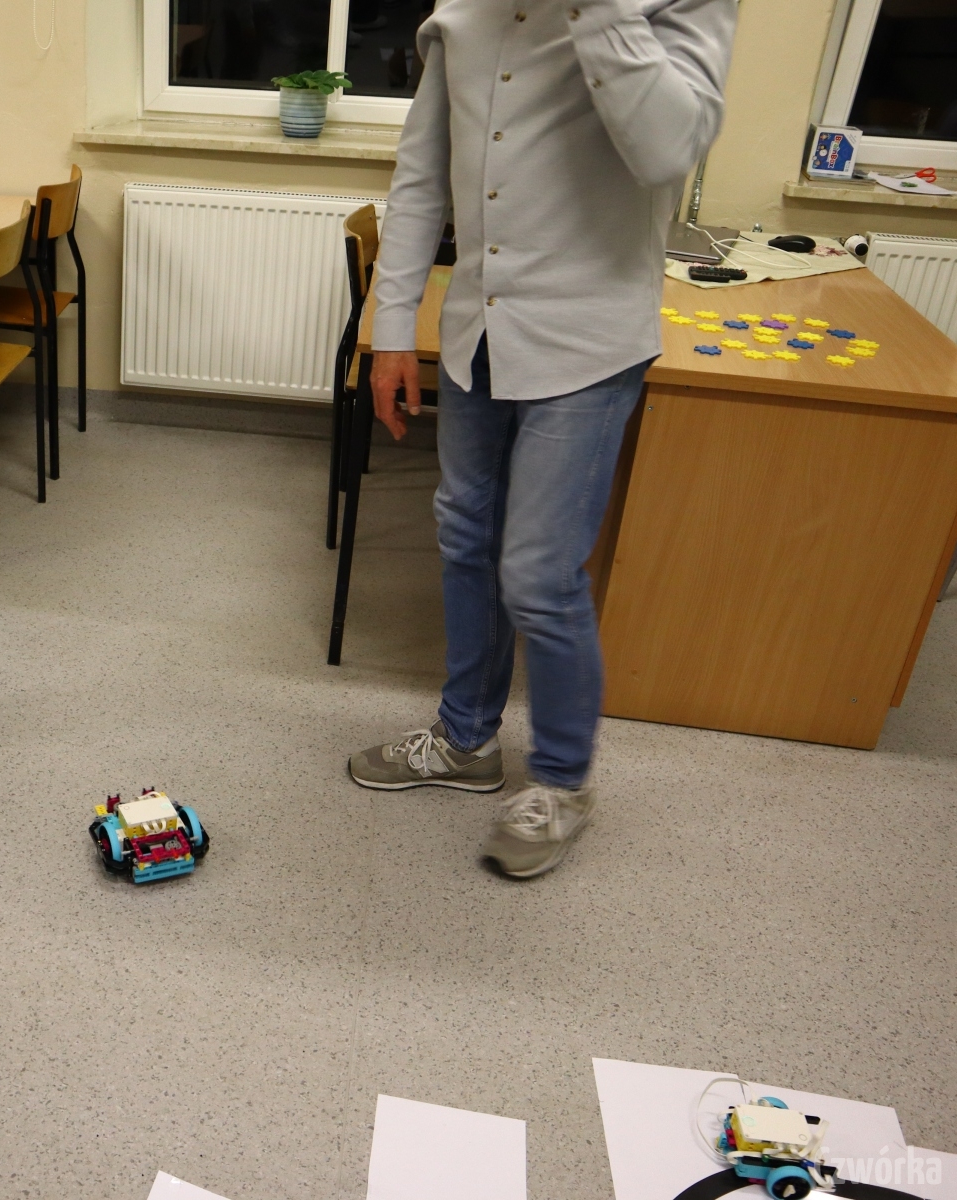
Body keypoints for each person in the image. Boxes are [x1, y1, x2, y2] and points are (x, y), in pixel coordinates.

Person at [346, 0, 736, 877]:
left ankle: (561, 782)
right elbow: (422, 173)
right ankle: (465, 741)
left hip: (590, 342)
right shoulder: (465, 11)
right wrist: (394, 328)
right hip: (477, 330)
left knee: (538, 572)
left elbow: (667, 152)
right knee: (465, 539)